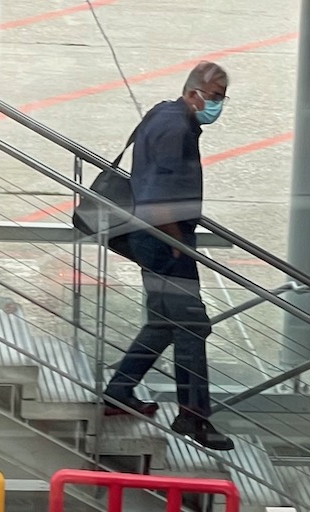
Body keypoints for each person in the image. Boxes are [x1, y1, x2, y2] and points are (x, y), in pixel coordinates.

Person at [102, 61, 234, 452]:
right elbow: (160, 202)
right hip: (164, 239)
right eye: (215, 97)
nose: (219, 105)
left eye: (223, 98)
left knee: (164, 322)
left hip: (153, 236)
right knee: (193, 325)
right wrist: (178, 244)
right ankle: (195, 416)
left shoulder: (164, 112)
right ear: (194, 93)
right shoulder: (177, 129)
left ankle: (119, 392)